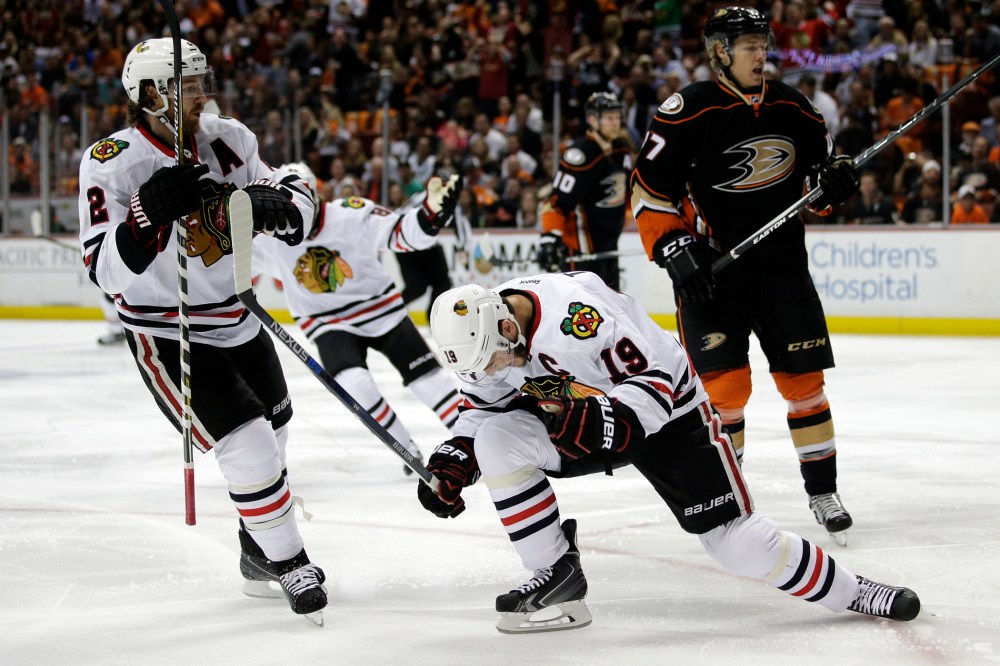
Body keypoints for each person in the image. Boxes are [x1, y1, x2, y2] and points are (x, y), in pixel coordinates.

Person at [418, 274, 919, 633]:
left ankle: (855, 591)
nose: (496, 372)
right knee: (494, 441)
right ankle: (558, 576)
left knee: (736, 543)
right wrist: (454, 458)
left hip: (670, 417)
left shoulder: (576, 320)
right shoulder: (489, 342)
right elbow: (485, 408)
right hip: (583, 418)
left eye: (496, 359)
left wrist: (602, 422)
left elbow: (658, 382)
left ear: (508, 327)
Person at [78, 38, 326, 623]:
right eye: (185, 86)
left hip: (237, 314)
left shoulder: (230, 138)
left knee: (279, 430)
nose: (199, 95)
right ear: (148, 96)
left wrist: (282, 210)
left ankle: (258, 549)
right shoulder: (112, 159)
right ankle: (290, 561)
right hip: (169, 327)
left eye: (199, 82)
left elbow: (291, 197)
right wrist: (145, 217)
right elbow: (103, 272)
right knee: (248, 442)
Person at [629, 7, 862, 546]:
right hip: (712, 274)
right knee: (725, 393)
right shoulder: (687, 110)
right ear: (719, 52)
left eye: (764, 44)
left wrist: (835, 182)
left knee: (805, 386)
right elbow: (648, 191)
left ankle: (822, 491)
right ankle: (729, 502)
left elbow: (813, 182)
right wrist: (671, 245)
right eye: (749, 45)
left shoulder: (794, 106)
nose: (762, 55)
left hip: (781, 269)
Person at [252, 163, 466, 473]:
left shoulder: (352, 214)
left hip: (383, 310)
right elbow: (225, 260)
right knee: (355, 385)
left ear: (313, 193)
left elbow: (402, 234)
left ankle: (472, 439)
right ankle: (407, 451)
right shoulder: (270, 236)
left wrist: (431, 217)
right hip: (327, 324)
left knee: (429, 381)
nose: (293, 211)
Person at [538, 92, 632, 290]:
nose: (615, 123)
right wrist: (550, 236)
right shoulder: (580, 154)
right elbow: (555, 203)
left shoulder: (621, 149)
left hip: (609, 246)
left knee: (614, 311)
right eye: (609, 118)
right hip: (582, 251)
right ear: (593, 120)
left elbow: (625, 192)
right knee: (584, 314)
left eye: (617, 117)